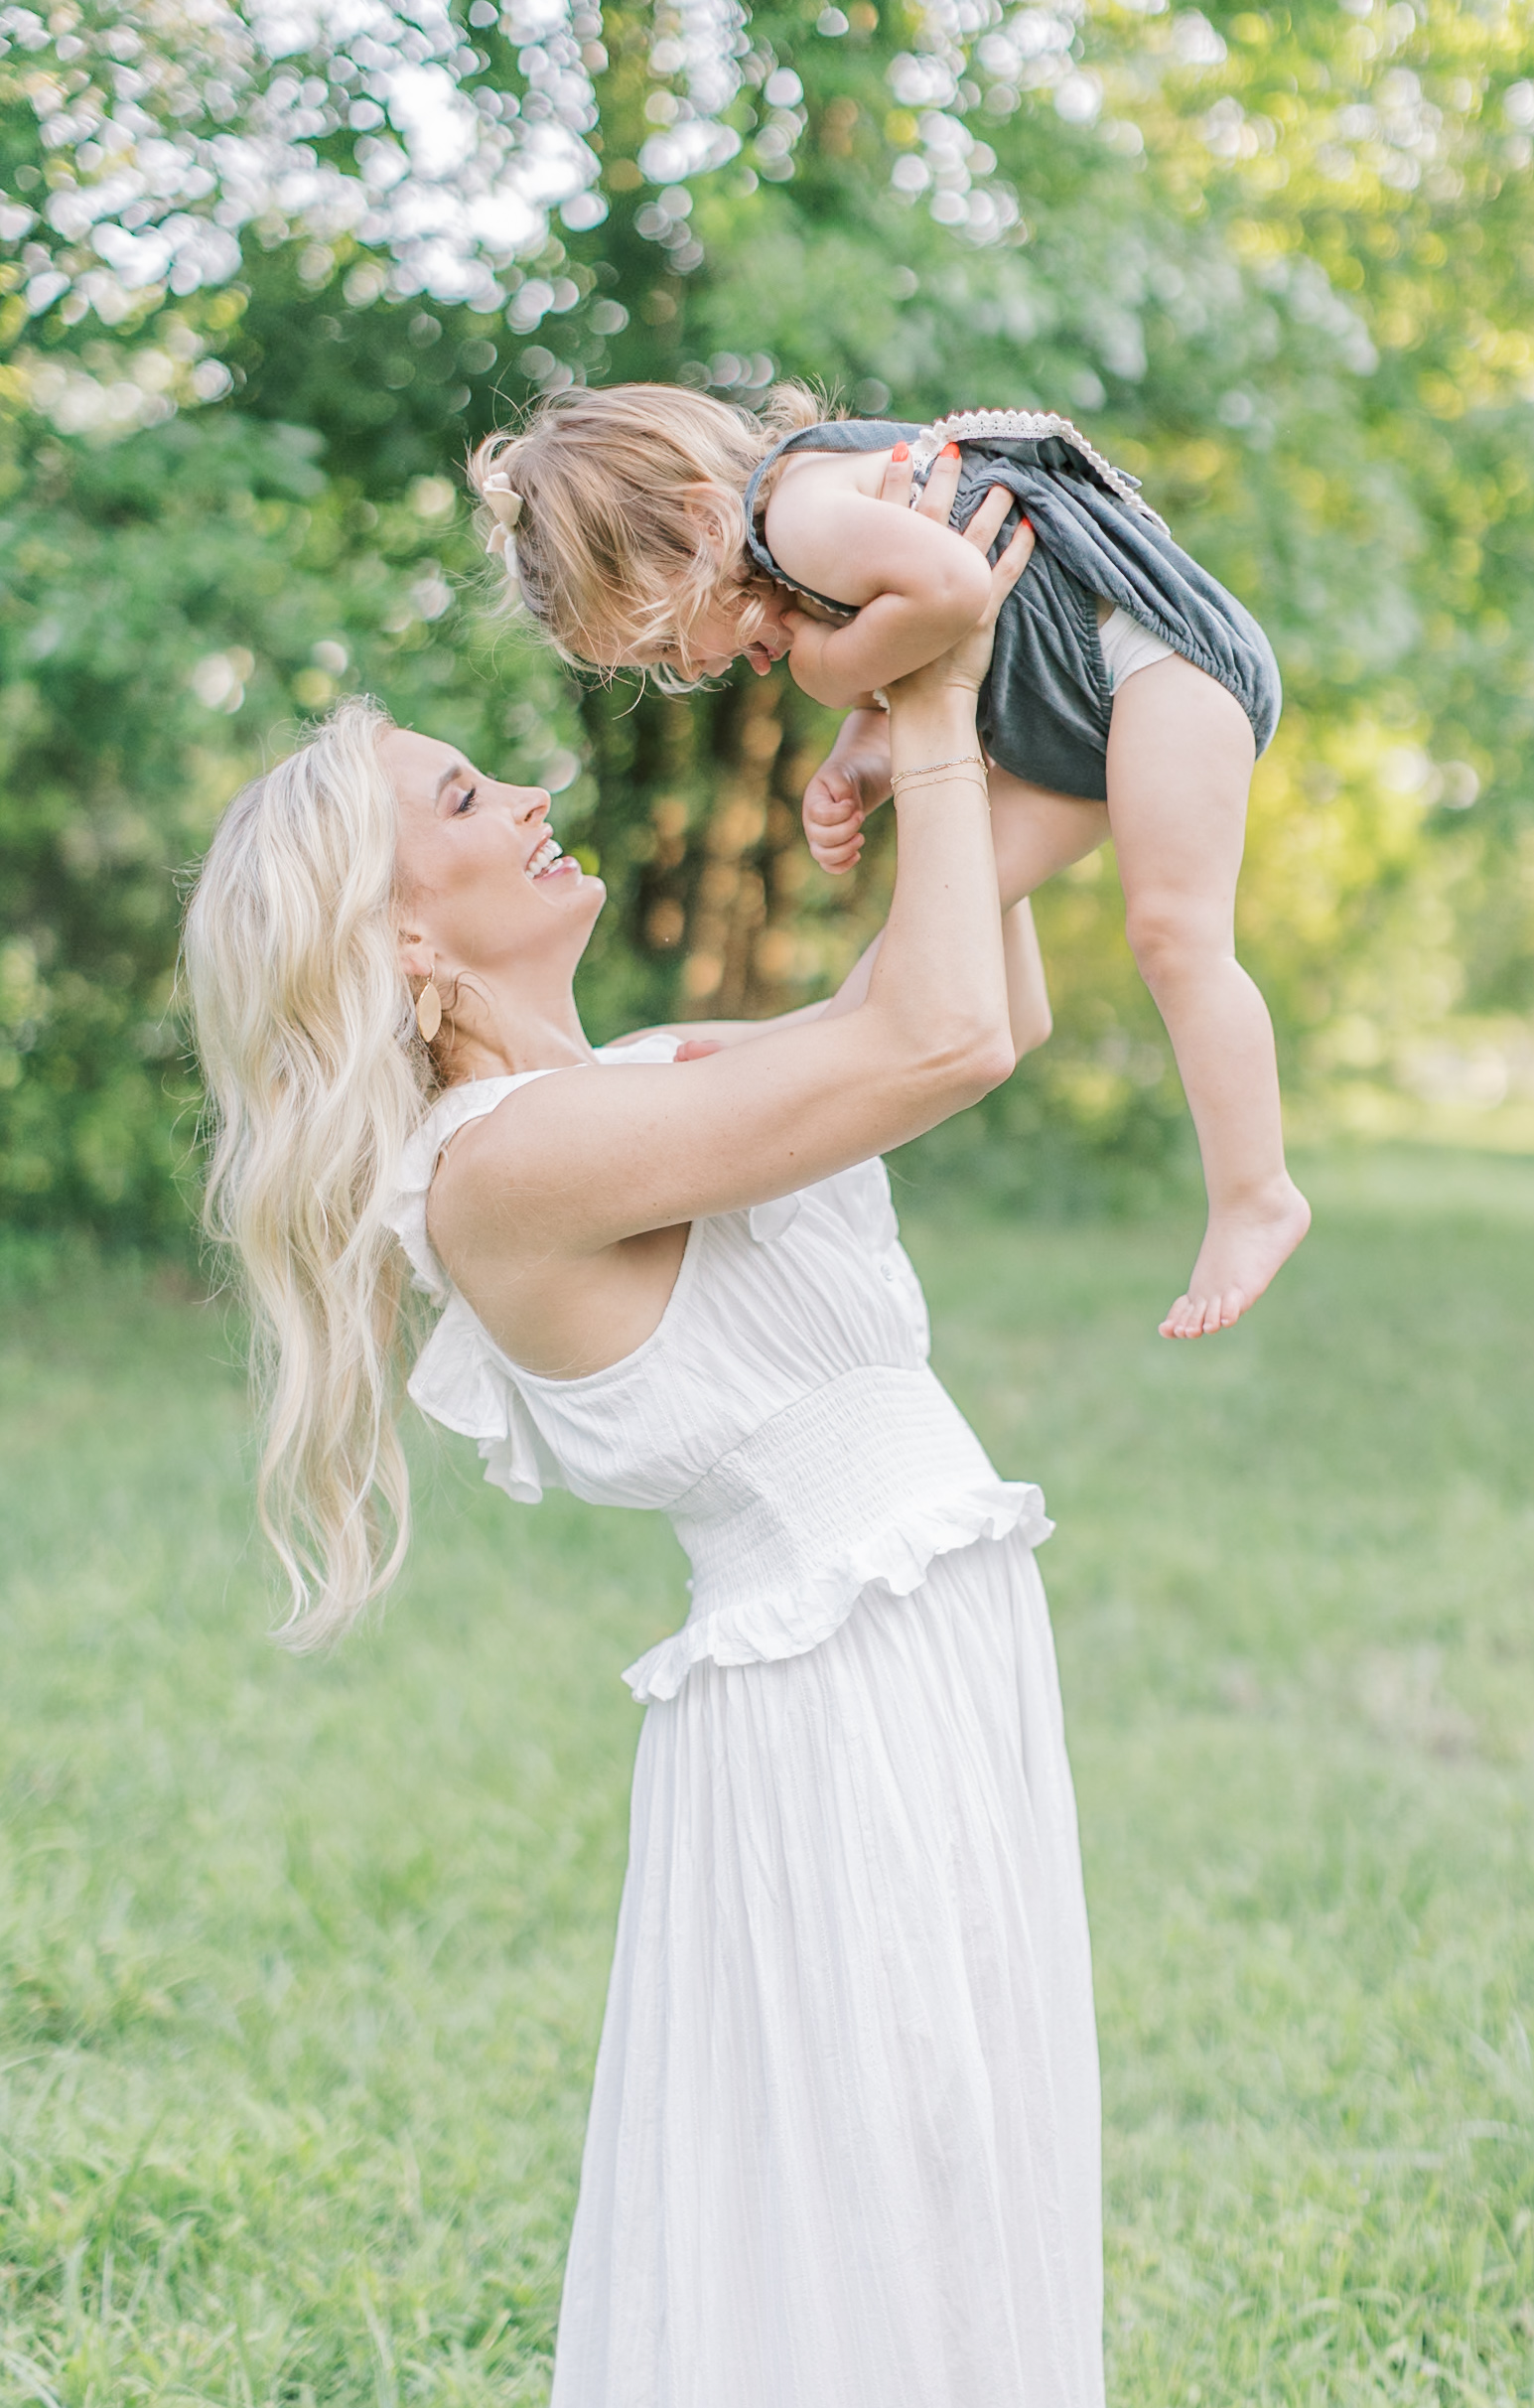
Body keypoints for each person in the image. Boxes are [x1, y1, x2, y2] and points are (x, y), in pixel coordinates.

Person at [183, 489, 1106, 2408]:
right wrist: (920, 695)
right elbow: (936, 1041)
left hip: (925, 1641)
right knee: (878, 2183)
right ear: (397, 944)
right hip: (830, 1695)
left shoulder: (657, 1078)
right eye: (457, 804)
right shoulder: (504, 1171)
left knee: (965, 2151)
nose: (526, 790)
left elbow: (977, 988)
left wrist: (998, 665)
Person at [470, 382, 1311, 1342]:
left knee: (1173, 933)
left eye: (667, 641)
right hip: (1070, 710)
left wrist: (829, 671)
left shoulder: (792, 513)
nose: (689, 672)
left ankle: (1257, 1191)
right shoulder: (799, 534)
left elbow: (950, 592)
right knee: (936, 922)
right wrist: (859, 756)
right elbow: (917, 632)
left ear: (705, 525)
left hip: (1156, 660)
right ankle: (818, 1036)